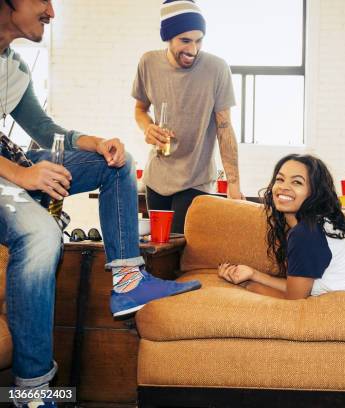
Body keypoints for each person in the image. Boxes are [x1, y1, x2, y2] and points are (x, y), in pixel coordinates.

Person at [0, 1, 201, 406]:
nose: (51, 12)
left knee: (116, 164)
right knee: (41, 233)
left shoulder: (15, 67)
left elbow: (44, 129)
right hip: (8, 176)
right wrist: (21, 175)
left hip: (13, 166)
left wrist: (94, 142)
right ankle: (34, 392)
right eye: (42, 1)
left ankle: (127, 280)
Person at [133, 0, 244, 234]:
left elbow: (224, 127)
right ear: (168, 37)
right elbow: (140, 109)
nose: (193, 49)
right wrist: (148, 128)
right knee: (161, 249)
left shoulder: (217, 69)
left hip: (196, 179)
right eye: (185, 40)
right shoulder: (148, 63)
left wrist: (234, 185)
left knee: (183, 247)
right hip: (157, 179)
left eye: (199, 40)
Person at [218, 154, 345, 299]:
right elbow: (298, 286)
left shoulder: (306, 234)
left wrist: (247, 286)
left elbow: (294, 300)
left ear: (315, 193)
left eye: (297, 182)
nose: (283, 187)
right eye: (280, 179)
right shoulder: (312, 225)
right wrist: (252, 274)